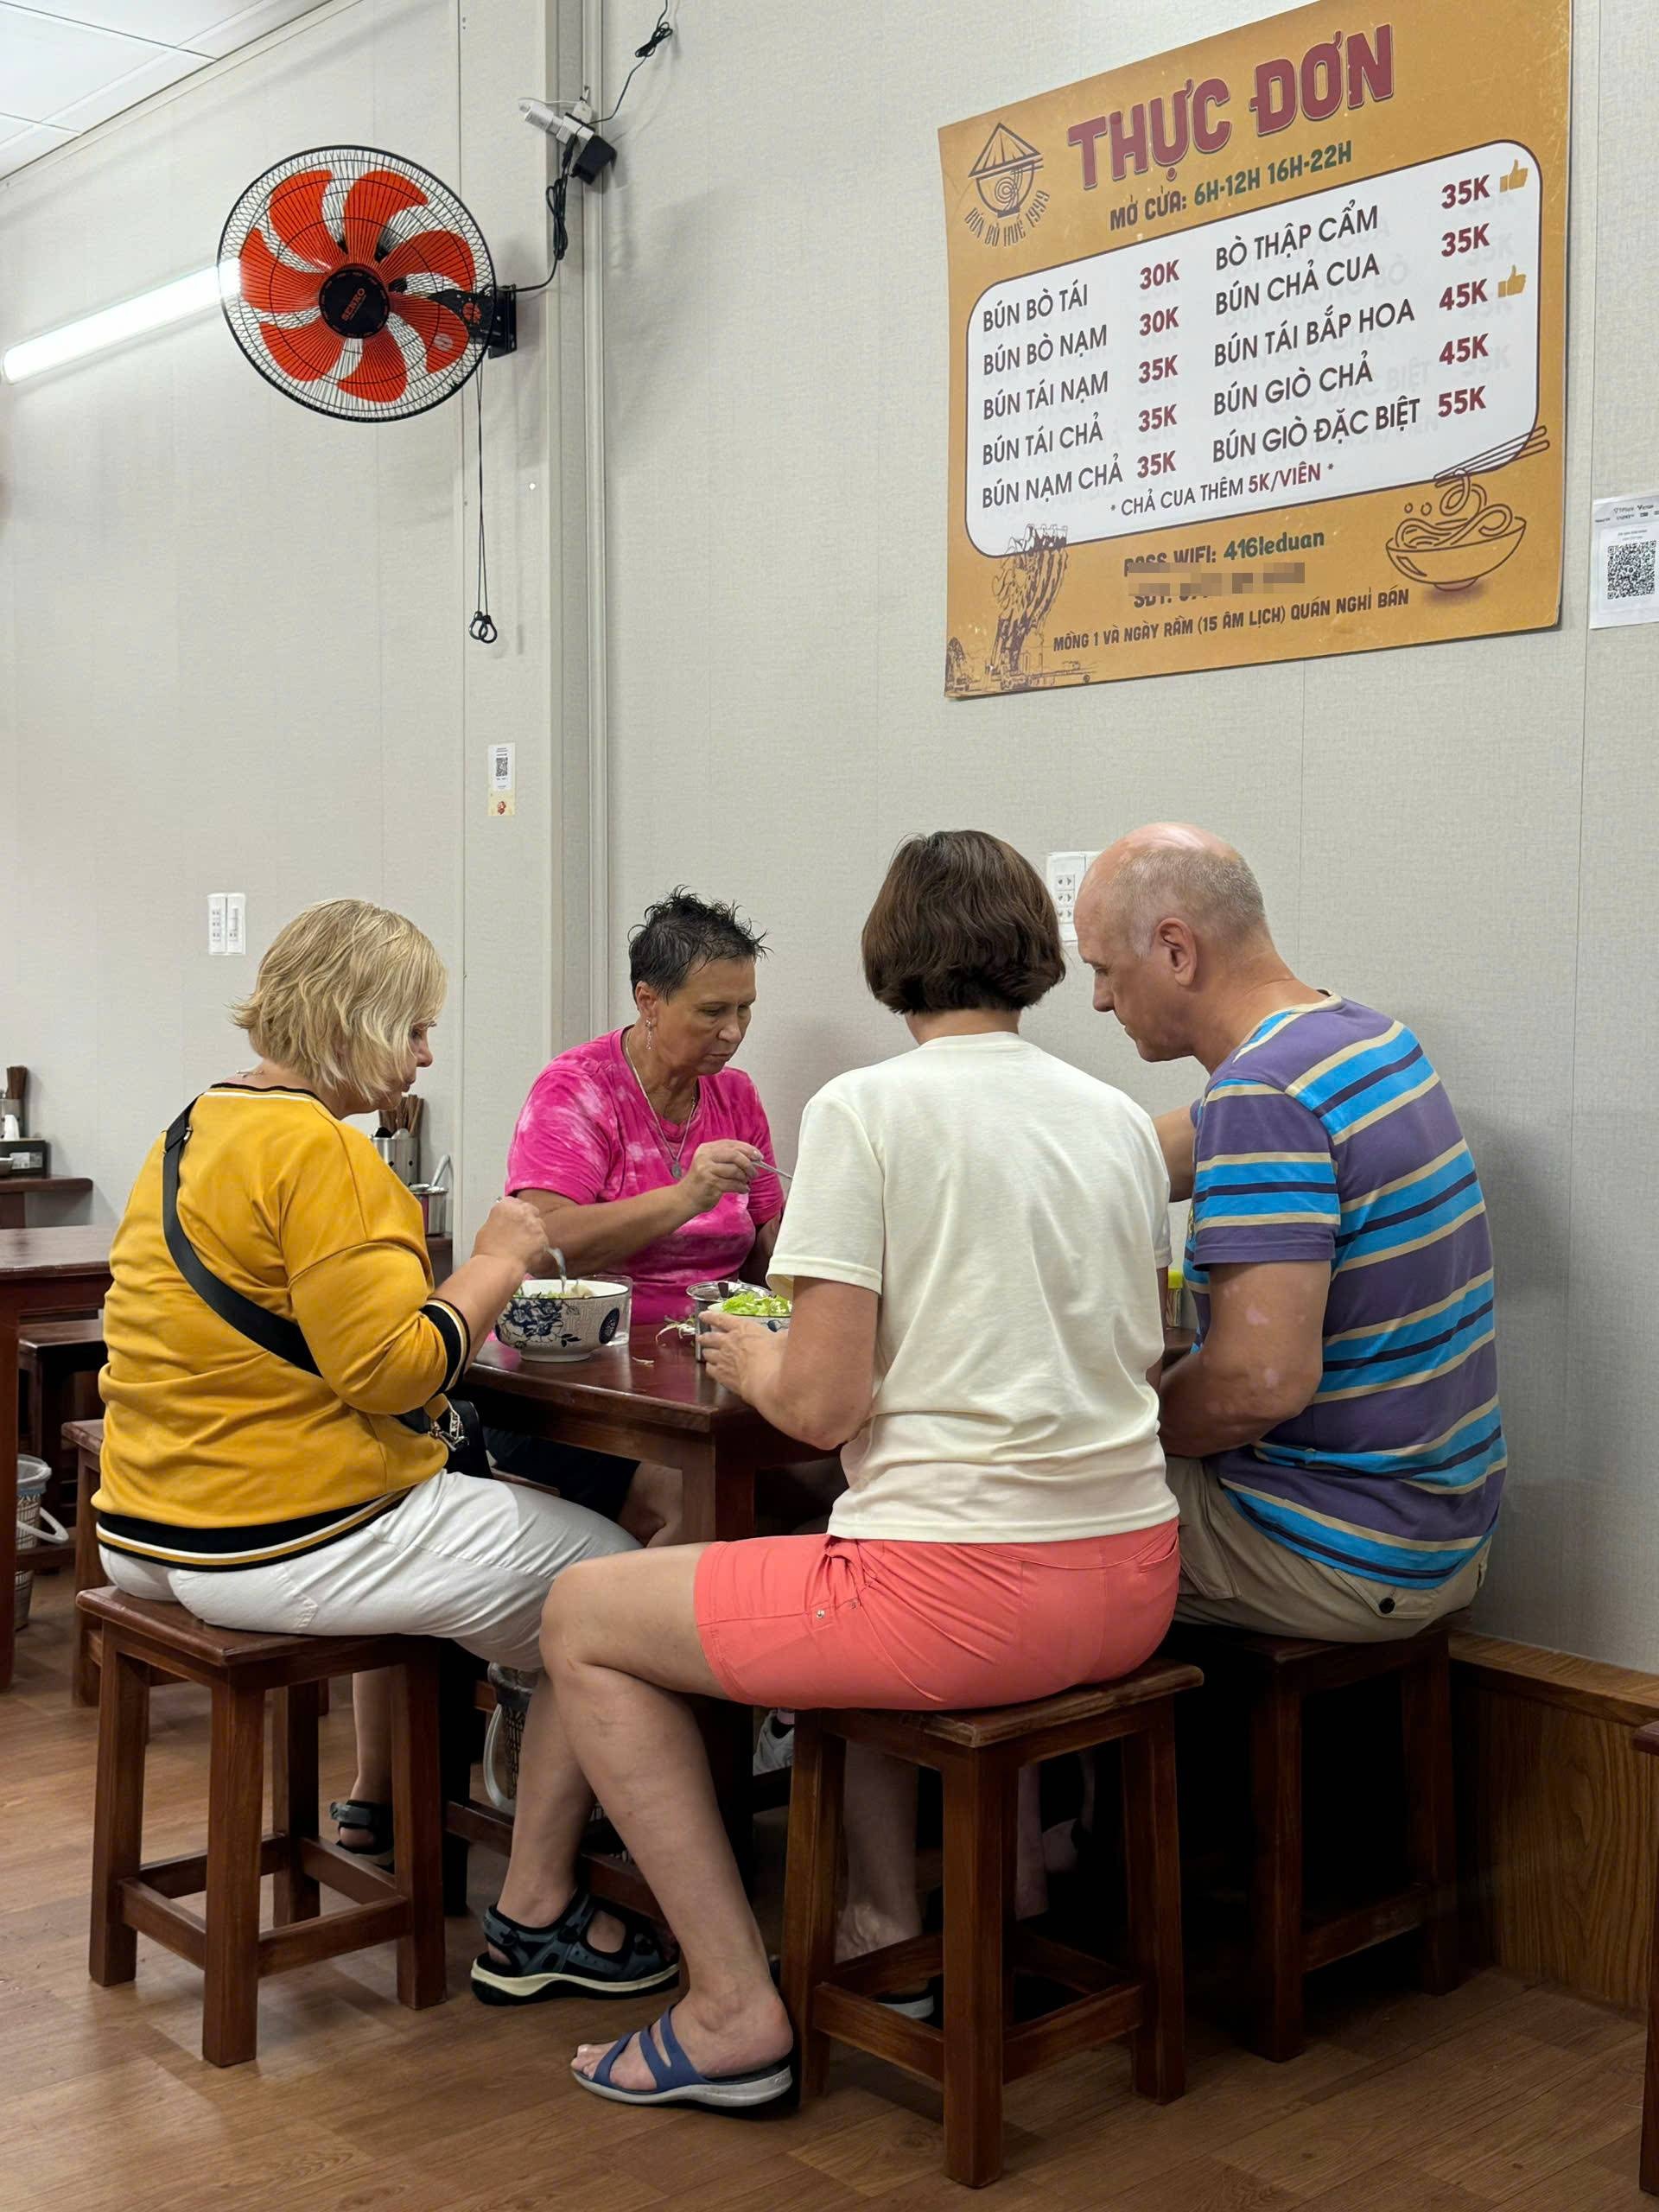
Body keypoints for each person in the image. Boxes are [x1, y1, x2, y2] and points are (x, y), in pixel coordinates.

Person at [540, 830, 1180, 2113]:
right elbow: (1136, 1349)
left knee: (580, 1617)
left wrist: (747, 1355)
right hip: (1135, 1577)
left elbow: (826, 1404)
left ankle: (728, 2005)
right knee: (854, 1547)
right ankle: (890, 1929)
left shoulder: (866, 1110)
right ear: (1034, 959)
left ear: (891, 961)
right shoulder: (1115, 1117)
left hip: (963, 1603)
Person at [95, 898, 675, 2007]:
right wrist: (501, 1255)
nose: (422, 1054)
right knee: (611, 1590)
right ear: (355, 1021)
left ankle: (391, 1799)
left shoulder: (193, 1128)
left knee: (527, 1552)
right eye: (413, 1027)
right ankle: (538, 1908)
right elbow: (397, 1372)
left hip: (144, 1526)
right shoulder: (325, 1153)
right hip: (278, 1540)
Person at [1073, 824, 1504, 1640]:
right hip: (1442, 1524)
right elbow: (1148, 1155)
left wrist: (1112, 1421)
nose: (1099, 999)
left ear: (1176, 951)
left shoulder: (1262, 1094)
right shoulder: (1355, 1039)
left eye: (1104, 970)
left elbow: (1256, 1383)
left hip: (1336, 1547)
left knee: (1000, 1537)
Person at [489, 890, 786, 1547]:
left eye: (745, 1010)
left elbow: (772, 1247)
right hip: (574, 1383)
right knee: (692, 1502)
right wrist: (686, 1196)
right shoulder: (579, 1088)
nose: (733, 1032)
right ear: (648, 1001)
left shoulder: (735, 1096)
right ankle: (610, 1642)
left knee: (828, 1473)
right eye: (712, 1011)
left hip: (702, 1373)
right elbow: (543, 1247)